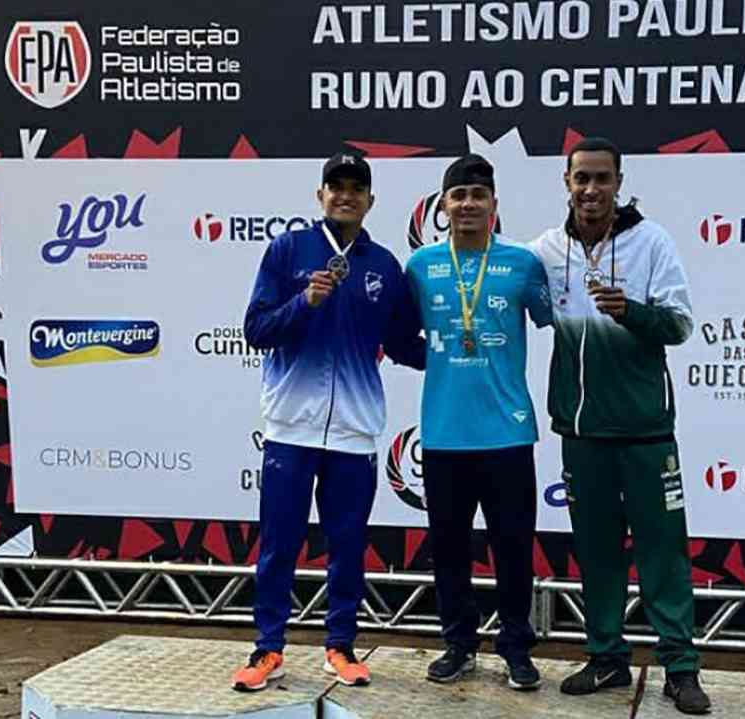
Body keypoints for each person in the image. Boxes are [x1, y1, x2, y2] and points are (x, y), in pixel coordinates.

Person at [531, 137, 712, 715]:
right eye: (581, 178)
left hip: (644, 432)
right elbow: (505, 285)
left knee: (662, 553)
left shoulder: (651, 242)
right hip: (581, 433)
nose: (591, 189)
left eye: (602, 179)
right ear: (566, 182)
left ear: (619, 182)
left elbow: (680, 324)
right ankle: (607, 656)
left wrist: (630, 311)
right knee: (598, 552)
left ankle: (680, 668)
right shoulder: (548, 249)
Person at [233, 152, 425, 692]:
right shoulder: (288, 250)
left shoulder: (385, 266)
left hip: (354, 432)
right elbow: (256, 329)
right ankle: (267, 648)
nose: (345, 195)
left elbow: (402, 344)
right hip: (291, 428)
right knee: (279, 544)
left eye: (355, 188)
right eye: (335, 186)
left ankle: (340, 646)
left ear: (370, 200)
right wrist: (305, 301)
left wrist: (454, 356)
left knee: (347, 543)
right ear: (320, 195)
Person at [404, 154, 553, 690]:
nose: (468, 203)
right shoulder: (420, 266)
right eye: (458, 195)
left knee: (513, 547)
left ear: (494, 205)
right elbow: (398, 334)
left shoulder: (522, 264)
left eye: (478, 195)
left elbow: (560, 318)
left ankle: (516, 648)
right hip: (444, 433)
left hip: (508, 433)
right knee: (449, 547)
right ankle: (458, 644)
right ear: (443, 206)